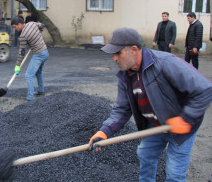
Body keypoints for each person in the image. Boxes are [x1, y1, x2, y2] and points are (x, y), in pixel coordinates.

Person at [87, 28, 212, 181]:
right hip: (156, 123)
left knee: (174, 172)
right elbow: (122, 109)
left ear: (133, 50)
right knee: (145, 155)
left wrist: (186, 118)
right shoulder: (125, 75)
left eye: (118, 53)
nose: (114, 59)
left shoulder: (165, 63)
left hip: (182, 125)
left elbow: (205, 89)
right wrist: (104, 131)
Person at [11, 16, 49, 101]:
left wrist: (18, 65)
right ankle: (41, 91)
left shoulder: (23, 36)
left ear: (19, 24)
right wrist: (38, 34)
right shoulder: (31, 23)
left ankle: (30, 98)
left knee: (29, 75)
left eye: (15, 27)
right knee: (38, 72)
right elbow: (42, 25)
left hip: (39, 54)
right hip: (45, 52)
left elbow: (22, 52)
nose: (15, 29)